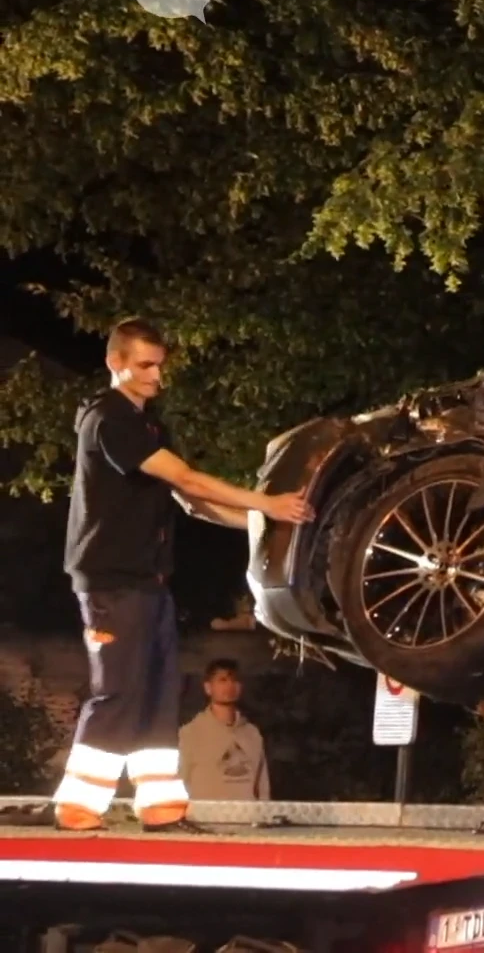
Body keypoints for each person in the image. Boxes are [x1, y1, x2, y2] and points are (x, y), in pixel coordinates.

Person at [52, 317, 312, 832]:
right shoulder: (109, 420)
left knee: (159, 691)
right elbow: (188, 477)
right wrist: (268, 502)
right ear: (116, 363)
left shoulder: (149, 425)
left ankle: (161, 806)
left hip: (150, 583)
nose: (156, 377)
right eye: (145, 366)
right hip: (111, 580)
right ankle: (79, 805)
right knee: (119, 691)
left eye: (159, 367)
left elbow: (190, 499)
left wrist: (263, 523)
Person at [178, 659, 271, 801]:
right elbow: (180, 781)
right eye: (222, 680)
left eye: (234, 680)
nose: (229, 685)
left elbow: (263, 787)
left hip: (247, 819)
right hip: (205, 820)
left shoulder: (252, 734)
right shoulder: (191, 733)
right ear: (208, 687)